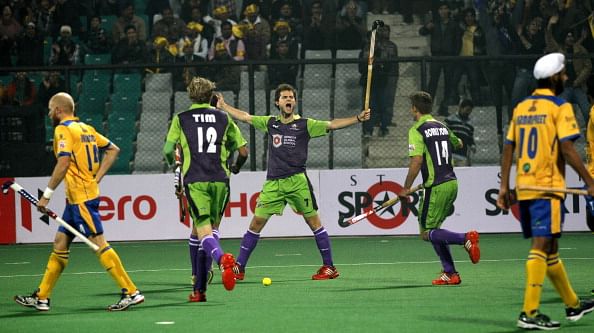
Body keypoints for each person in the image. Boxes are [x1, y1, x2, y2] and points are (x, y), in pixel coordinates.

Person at [216, 83, 371, 281]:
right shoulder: (271, 123)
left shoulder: (306, 124)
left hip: (298, 182)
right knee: (256, 224)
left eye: (291, 97)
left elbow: (332, 124)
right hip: (273, 184)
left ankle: (329, 267)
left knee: (314, 223)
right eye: (284, 97)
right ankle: (240, 267)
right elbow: (246, 117)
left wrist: (357, 118)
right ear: (277, 102)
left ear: (295, 102)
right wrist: (224, 106)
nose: (288, 100)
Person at [14, 92, 144, 312]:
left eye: (49, 108)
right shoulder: (87, 129)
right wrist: (97, 177)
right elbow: (113, 150)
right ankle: (42, 297)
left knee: (99, 244)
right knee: (60, 243)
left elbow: (63, 163)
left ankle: (131, 292)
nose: (48, 113)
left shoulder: (63, 130)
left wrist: (46, 194)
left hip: (82, 199)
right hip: (76, 199)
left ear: (58, 110)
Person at [497, 52, 594, 330]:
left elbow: (508, 146)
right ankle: (529, 312)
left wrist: (504, 185)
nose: (565, 78)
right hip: (546, 188)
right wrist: (590, 181)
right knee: (541, 246)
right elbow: (567, 148)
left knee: (550, 248)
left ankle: (573, 305)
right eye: (563, 74)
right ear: (553, 77)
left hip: (526, 187)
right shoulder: (559, 107)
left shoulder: (521, 108)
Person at [163, 77, 246, 302]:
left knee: (203, 231)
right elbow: (243, 150)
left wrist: (177, 163)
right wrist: (235, 167)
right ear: (211, 95)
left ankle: (221, 260)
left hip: (196, 179)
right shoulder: (223, 117)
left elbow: (168, 150)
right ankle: (199, 291)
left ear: (190, 95)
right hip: (221, 179)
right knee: (208, 230)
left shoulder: (181, 119)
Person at [398, 91, 480, 286]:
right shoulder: (442, 125)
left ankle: (465, 239)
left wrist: (405, 188)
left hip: (436, 186)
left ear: (414, 109)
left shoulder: (417, 129)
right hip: (452, 183)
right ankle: (450, 273)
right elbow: (459, 143)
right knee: (435, 229)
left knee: (426, 232)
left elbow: (417, 161)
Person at [444, 99, 475, 166]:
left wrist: (473, 145)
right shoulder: (450, 120)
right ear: (461, 108)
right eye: (467, 110)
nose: (468, 112)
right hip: (450, 154)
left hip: (462, 155)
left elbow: (470, 138)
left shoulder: (470, 124)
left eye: (470, 111)